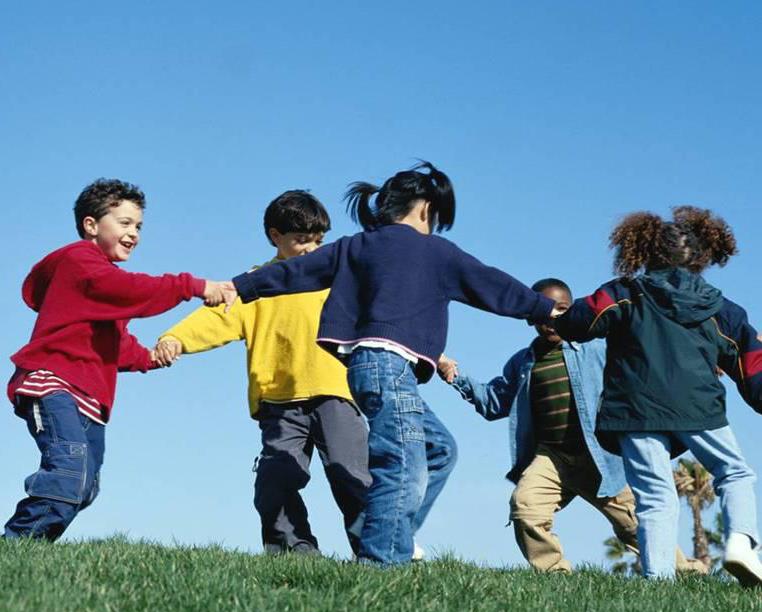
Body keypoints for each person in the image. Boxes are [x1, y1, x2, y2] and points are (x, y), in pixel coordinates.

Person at [228, 161, 561, 565]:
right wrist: (546, 309)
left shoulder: (357, 245)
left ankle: (390, 534)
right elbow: (492, 284)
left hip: (370, 369)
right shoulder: (434, 251)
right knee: (402, 464)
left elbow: (297, 271)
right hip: (387, 367)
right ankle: (381, 561)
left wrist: (240, 286)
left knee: (440, 449)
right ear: (425, 209)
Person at [6, 178, 233, 541]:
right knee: (68, 474)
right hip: (53, 382)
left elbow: (117, 346)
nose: (134, 233)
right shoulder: (81, 262)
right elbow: (128, 290)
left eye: (139, 226)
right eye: (125, 223)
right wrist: (192, 285)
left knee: (85, 487)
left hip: (91, 400)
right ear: (91, 225)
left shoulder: (103, 284)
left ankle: (30, 549)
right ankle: (16, 545)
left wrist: (152, 357)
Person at [439, 278, 706, 574]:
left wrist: (694, 364)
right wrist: (454, 376)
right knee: (525, 508)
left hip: (602, 457)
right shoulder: (523, 362)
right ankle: (556, 575)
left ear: (574, 310)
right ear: (530, 316)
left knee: (635, 525)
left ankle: (686, 571)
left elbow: (643, 362)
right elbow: (493, 403)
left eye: (562, 309)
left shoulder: (597, 347)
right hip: (553, 457)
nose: (553, 318)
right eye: (543, 311)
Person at [155, 190, 371, 555]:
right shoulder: (259, 283)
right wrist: (176, 338)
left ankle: (378, 554)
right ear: (276, 236)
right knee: (275, 482)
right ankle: (293, 557)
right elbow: (215, 317)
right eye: (301, 239)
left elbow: (382, 317)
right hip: (279, 402)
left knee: (353, 477)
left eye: (318, 240)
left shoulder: (338, 279)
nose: (311, 249)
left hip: (335, 392)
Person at [554, 206, 762, 584]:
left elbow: (579, 322)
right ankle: (741, 542)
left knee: (654, 495)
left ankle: (658, 581)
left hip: (635, 409)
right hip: (699, 407)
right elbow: (752, 367)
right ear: (701, 257)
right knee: (734, 472)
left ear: (642, 252)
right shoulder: (722, 310)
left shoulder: (623, 294)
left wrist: (557, 316)